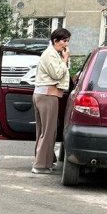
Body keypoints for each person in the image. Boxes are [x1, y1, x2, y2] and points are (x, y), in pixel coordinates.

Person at [32, 28, 71, 174]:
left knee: (44, 130)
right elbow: (57, 74)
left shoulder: (53, 54)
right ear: (55, 40)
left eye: (67, 41)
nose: (66, 44)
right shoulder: (50, 54)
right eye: (64, 41)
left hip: (45, 95)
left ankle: (46, 160)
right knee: (49, 131)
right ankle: (40, 165)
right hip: (47, 95)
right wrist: (65, 59)